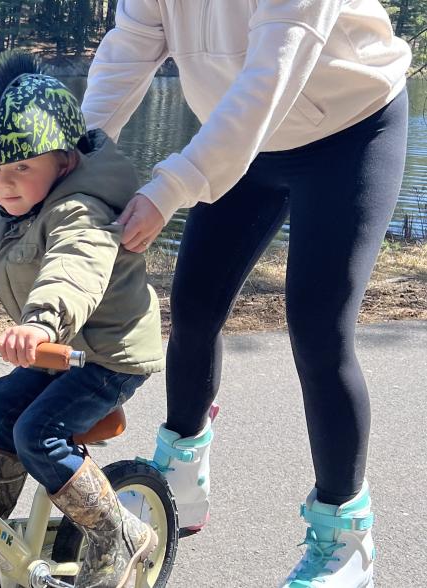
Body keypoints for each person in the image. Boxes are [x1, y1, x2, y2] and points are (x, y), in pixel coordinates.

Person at [81, 2, 411, 586]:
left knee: (317, 329)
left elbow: (270, 78)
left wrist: (171, 187)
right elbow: (126, 54)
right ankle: (180, 477)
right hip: (239, 138)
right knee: (194, 306)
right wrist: (73, 162)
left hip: (348, 130)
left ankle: (347, 535)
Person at [0, 49, 165, 587]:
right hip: (60, 351)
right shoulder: (13, 214)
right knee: (0, 405)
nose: (5, 183)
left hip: (107, 356)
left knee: (38, 433)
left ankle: (118, 532)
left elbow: (75, 267)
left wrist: (41, 322)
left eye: (22, 167)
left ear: (65, 160)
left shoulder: (83, 211)